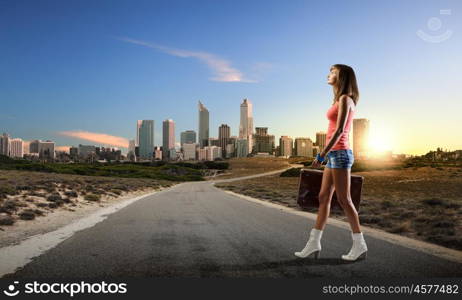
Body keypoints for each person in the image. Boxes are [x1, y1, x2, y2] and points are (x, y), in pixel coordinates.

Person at [294, 64, 368, 261]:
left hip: (340, 154)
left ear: (342, 77)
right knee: (323, 196)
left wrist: (321, 155)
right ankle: (314, 243)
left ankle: (360, 244)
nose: (328, 74)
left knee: (345, 200)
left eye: (333, 72)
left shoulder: (345, 99)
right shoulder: (339, 99)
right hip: (335, 155)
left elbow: (340, 130)